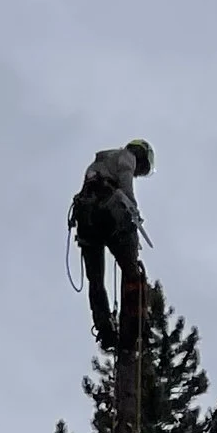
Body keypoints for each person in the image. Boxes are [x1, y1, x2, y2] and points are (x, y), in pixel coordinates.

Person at [70, 139, 153, 346]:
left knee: (95, 280)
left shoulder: (98, 164)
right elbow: (125, 186)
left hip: (86, 218)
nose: (137, 173)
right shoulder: (126, 156)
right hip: (108, 213)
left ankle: (104, 329)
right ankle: (136, 321)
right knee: (131, 268)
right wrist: (133, 210)